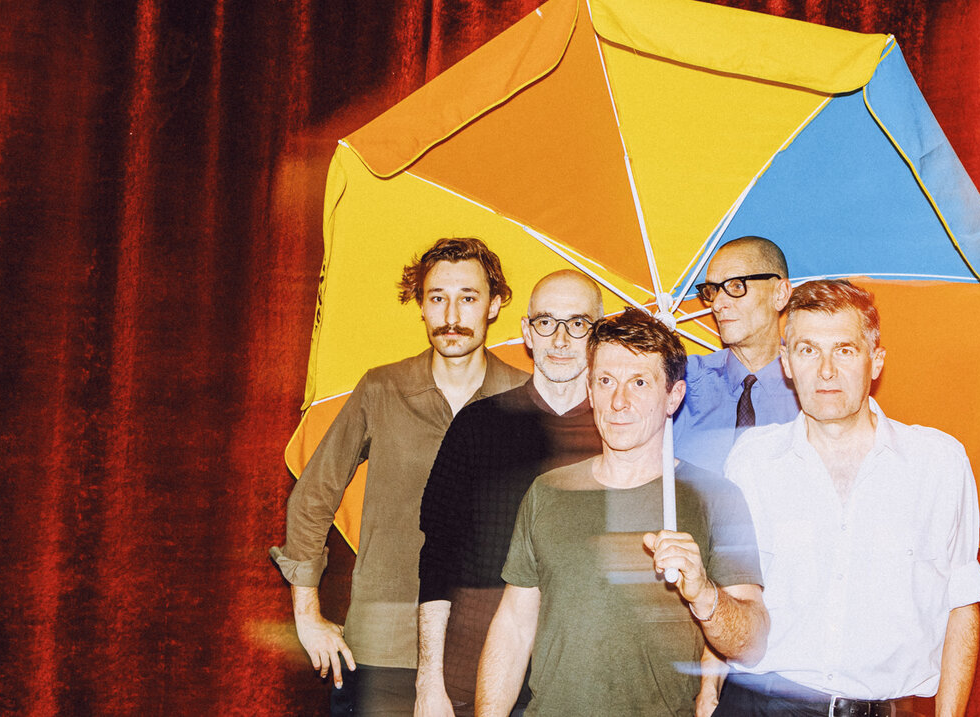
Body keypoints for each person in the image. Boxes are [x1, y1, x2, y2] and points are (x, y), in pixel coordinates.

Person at [270, 237, 528, 716]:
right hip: (384, 646)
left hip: (490, 649)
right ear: (421, 306)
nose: (452, 315)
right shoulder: (382, 388)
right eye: (438, 298)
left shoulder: (523, 400)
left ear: (494, 305)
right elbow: (313, 496)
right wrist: (306, 616)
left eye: (468, 297)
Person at [717, 280, 980, 717]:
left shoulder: (938, 462)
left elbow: (961, 603)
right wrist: (707, 692)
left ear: (875, 360)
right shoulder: (751, 461)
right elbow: (733, 591)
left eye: (844, 350)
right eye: (808, 350)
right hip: (760, 704)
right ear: (786, 362)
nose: (826, 370)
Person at [475, 308, 769, 717]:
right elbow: (513, 625)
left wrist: (704, 594)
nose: (618, 401)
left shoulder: (716, 498)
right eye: (606, 381)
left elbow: (752, 645)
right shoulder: (548, 491)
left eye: (639, 382)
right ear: (590, 391)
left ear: (673, 397)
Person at [414, 270, 605, 716]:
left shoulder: (622, 433)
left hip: (580, 687)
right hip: (472, 679)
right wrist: (429, 683)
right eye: (546, 322)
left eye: (578, 324)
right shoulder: (477, 426)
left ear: (598, 334)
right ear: (527, 332)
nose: (561, 339)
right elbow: (437, 555)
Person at [673, 236, 798, 475]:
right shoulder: (680, 381)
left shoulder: (814, 387)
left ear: (780, 294)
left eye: (737, 286)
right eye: (712, 290)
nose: (717, 304)